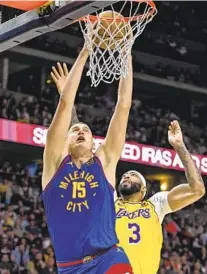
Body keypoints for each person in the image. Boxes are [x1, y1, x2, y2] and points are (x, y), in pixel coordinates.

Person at [41, 44, 134, 273]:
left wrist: (126, 55)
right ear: (65, 141)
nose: (81, 131)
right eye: (75, 130)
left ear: (95, 144)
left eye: (86, 130)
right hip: (70, 267)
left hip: (109, 258)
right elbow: (64, 106)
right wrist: (84, 51)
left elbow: (123, 106)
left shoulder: (105, 162)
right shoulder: (54, 164)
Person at [115, 120, 206, 274]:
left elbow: (197, 189)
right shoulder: (109, 202)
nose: (126, 176)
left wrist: (179, 146)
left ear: (143, 189)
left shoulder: (155, 204)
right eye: (124, 175)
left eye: (133, 175)